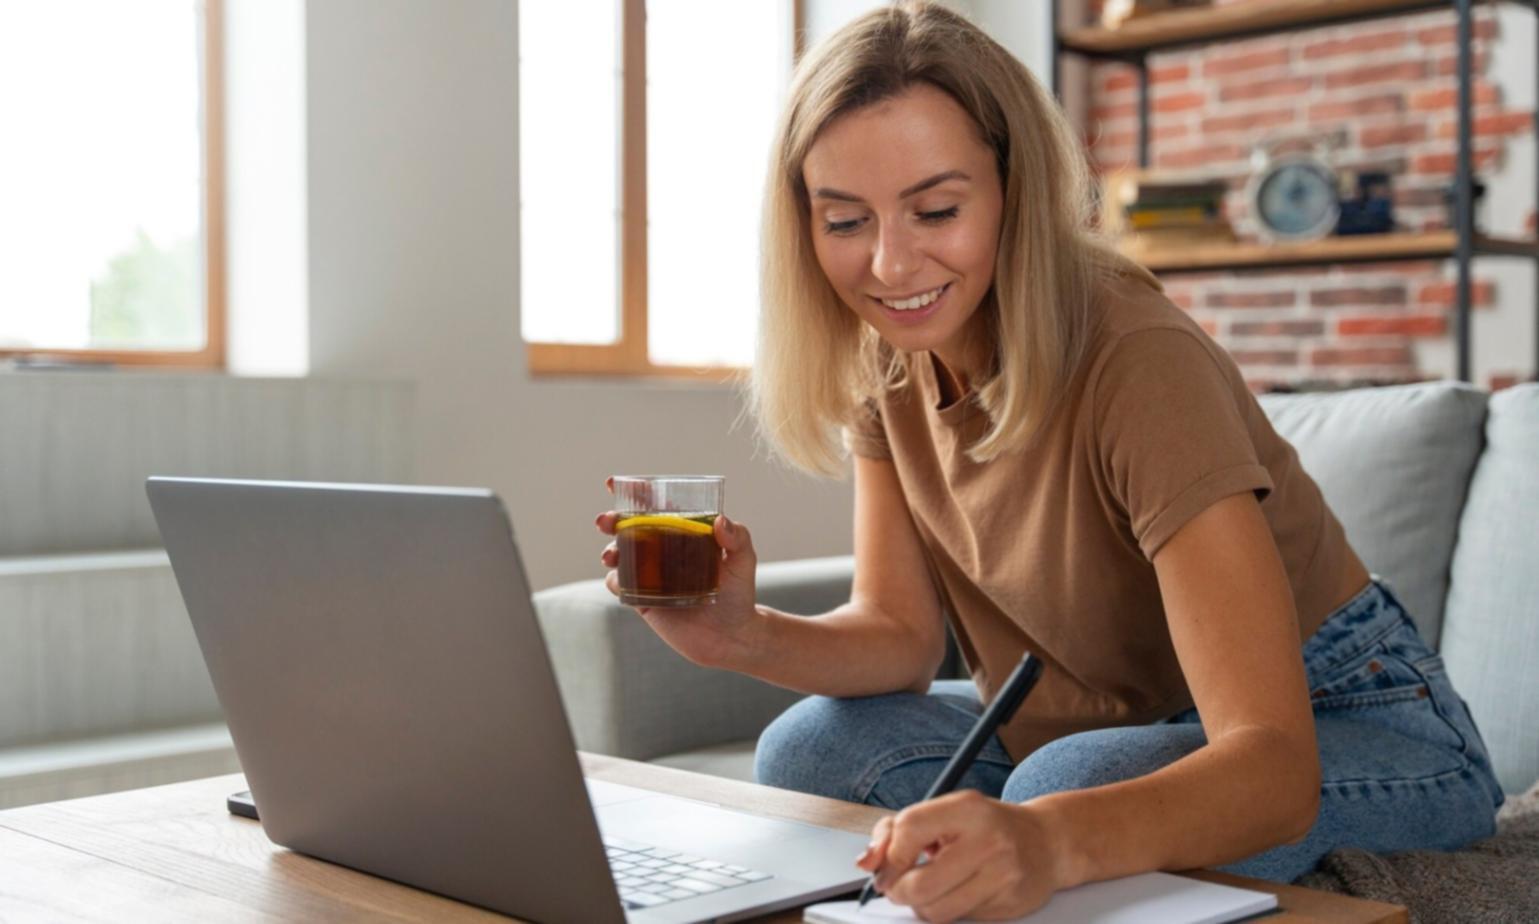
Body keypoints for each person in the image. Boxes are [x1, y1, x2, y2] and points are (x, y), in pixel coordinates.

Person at [596, 3, 1503, 920]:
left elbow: (1270, 765)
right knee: (812, 750)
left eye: (936, 211)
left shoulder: (1137, 359)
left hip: (1347, 719)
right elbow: (901, 638)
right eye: (844, 220)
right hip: (1113, 722)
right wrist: (740, 634)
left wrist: (1051, 838)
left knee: (1064, 783)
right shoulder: (888, 358)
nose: (889, 264)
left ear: (1014, 191)